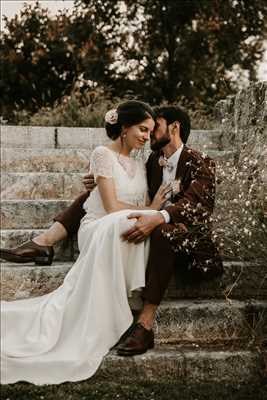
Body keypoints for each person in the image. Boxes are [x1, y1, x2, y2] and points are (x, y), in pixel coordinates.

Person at [1, 105, 223, 359]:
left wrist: (157, 216)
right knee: (98, 195)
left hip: (182, 239)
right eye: (145, 130)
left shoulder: (199, 161)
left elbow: (197, 206)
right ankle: (46, 241)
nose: (149, 136)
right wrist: (98, 180)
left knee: (161, 231)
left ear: (174, 127)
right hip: (145, 223)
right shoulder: (152, 161)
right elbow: (127, 192)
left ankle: (145, 324)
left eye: (155, 129)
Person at [1, 100, 170, 385]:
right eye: (142, 129)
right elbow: (112, 206)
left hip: (119, 221)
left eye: (150, 131)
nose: (146, 137)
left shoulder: (141, 162)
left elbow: (136, 205)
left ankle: (125, 292)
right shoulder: (102, 154)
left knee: (134, 223)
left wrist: (150, 209)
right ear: (125, 127)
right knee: (123, 222)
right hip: (97, 224)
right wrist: (152, 210)